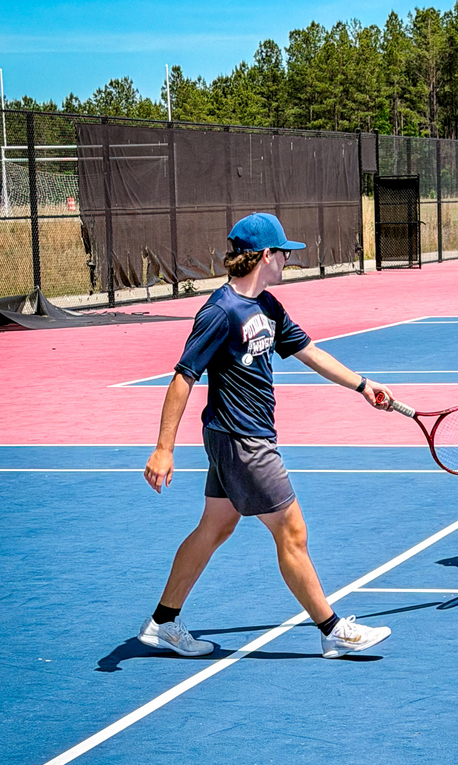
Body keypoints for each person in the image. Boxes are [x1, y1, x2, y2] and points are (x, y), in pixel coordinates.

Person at [139, 212, 393, 658]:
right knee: (292, 530)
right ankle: (332, 630)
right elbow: (183, 377)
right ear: (265, 257)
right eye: (283, 254)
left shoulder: (268, 307)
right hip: (242, 439)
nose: (287, 262)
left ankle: (162, 622)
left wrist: (362, 384)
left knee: (214, 528)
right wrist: (163, 448)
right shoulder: (221, 312)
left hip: (233, 436)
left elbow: (309, 351)